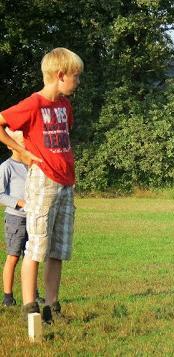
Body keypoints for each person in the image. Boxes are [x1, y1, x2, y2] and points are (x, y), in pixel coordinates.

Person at [0, 47, 83, 321]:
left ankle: (52, 306)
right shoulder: (33, 104)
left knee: (57, 249)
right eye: (75, 76)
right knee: (36, 246)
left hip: (65, 183)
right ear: (60, 75)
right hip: (42, 181)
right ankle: (29, 308)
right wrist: (21, 151)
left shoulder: (64, 106)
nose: (78, 81)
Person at [1, 129, 44, 307]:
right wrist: (18, 202)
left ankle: (33, 294)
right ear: (11, 146)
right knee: (13, 257)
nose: (24, 145)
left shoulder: (31, 165)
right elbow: (0, 195)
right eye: (20, 143)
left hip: (33, 219)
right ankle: (8, 297)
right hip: (15, 220)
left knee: (32, 256)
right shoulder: (6, 167)